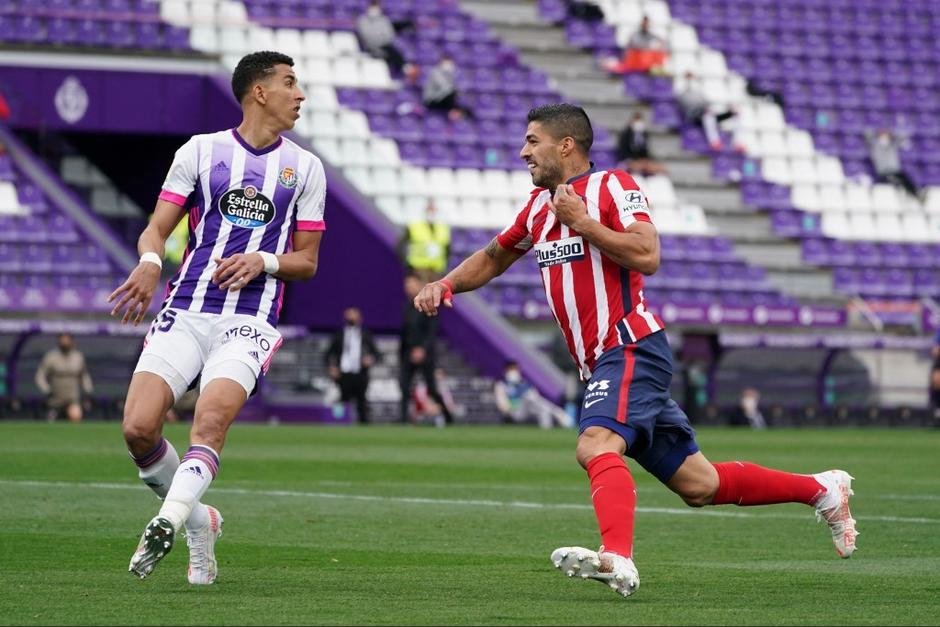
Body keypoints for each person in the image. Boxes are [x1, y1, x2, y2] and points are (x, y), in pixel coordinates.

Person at [413, 103, 857, 598]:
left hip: (630, 345)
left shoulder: (613, 187)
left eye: (532, 141)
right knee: (700, 485)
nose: (523, 152)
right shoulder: (538, 209)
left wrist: (584, 223)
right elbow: (494, 256)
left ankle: (618, 558)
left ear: (566, 145)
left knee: (595, 445)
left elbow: (648, 255)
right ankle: (822, 489)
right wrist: (445, 284)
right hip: (604, 362)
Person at [108, 51, 325, 584]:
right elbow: (156, 228)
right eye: (290, 83)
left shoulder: (306, 167)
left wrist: (264, 260)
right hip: (185, 308)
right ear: (259, 91)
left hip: (249, 320)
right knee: (138, 429)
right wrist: (150, 263)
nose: (300, 94)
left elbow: (308, 262)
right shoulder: (201, 152)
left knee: (209, 421)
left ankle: (166, 520)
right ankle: (198, 520)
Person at [400, 272, 453, 425]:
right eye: (406, 285)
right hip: (408, 353)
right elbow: (405, 332)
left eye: (410, 284)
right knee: (404, 385)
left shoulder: (428, 303)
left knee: (431, 388)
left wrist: (422, 349)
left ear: (418, 285)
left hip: (425, 354)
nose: (407, 287)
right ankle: (404, 419)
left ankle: (447, 415)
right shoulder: (406, 306)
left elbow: (432, 331)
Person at [324, 307, 379, 424]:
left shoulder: (365, 334)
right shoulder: (339, 334)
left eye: (354, 315)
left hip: (360, 373)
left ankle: (364, 428)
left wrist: (370, 359)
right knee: (342, 402)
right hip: (343, 374)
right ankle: (339, 424)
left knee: (362, 403)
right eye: (349, 315)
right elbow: (328, 354)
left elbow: (377, 353)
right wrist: (331, 367)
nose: (351, 318)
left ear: (360, 318)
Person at [34, 333, 93, 423]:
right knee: (51, 422)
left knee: (76, 416)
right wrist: (46, 390)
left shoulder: (77, 357)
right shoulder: (51, 357)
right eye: (62, 340)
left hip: (72, 399)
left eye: (67, 340)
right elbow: (40, 376)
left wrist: (88, 390)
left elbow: (84, 376)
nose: (65, 342)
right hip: (55, 400)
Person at [494, 361, 572, 429]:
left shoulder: (524, 383)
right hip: (513, 411)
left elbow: (536, 398)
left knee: (542, 409)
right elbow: (502, 404)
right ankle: (559, 414)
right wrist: (508, 408)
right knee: (529, 396)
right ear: (506, 371)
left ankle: (547, 431)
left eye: (515, 369)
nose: (513, 372)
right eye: (511, 369)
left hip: (528, 409)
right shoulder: (501, 385)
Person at [677, 71, 742, 152]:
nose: (690, 80)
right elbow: (686, 106)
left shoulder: (699, 93)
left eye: (691, 77)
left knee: (735, 114)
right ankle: (715, 142)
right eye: (688, 77)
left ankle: (738, 142)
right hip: (695, 117)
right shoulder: (681, 93)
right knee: (708, 116)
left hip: (707, 113)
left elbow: (706, 104)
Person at [355, 0, 418, 82]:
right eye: (374, 7)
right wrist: (380, 38)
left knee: (391, 50)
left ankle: (403, 72)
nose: (375, 9)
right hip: (371, 47)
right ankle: (406, 69)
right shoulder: (363, 20)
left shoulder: (383, 19)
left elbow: (389, 34)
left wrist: (382, 38)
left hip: (385, 45)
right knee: (391, 51)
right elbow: (366, 36)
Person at [398, 200, 451, 284]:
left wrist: (444, 266)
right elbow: (400, 246)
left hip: (436, 271)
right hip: (418, 270)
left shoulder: (443, 228)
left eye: (433, 209)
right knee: (418, 294)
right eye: (429, 209)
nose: (431, 212)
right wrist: (407, 263)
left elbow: (447, 249)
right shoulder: (414, 226)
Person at [864, 128, 922, 200]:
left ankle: (915, 194)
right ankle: (914, 195)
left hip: (895, 171)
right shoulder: (876, 146)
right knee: (898, 180)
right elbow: (867, 134)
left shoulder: (892, 145)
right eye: (883, 135)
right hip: (883, 173)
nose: (885, 138)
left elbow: (902, 137)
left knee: (904, 178)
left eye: (886, 135)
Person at [602, 16, 670, 75]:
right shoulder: (634, 35)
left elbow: (662, 45)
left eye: (647, 23)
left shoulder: (654, 37)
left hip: (647, 62)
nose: (645, 25)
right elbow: (628, 49)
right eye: (644, 23)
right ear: (641, 23)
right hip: (635, 61)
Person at [615, 112, 667, 176]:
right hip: (627, 160)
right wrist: (632, 161)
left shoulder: (644, 134)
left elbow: (646, 151)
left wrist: (646, 161)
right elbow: (622, 151)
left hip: (640, 161)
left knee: (658, 168)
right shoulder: (625, 134)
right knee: (635, 167)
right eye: (636, 121)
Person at [422, 55, 472, 121]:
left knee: (467, 110)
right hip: (431, 100)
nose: (449, 65)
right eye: (447, 63)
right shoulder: (436, 72)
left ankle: (456, 113)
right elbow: (445, 87)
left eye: (450, 63)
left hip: (443, 100)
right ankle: (453, 112)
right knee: (452, 94)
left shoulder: (450, 73)